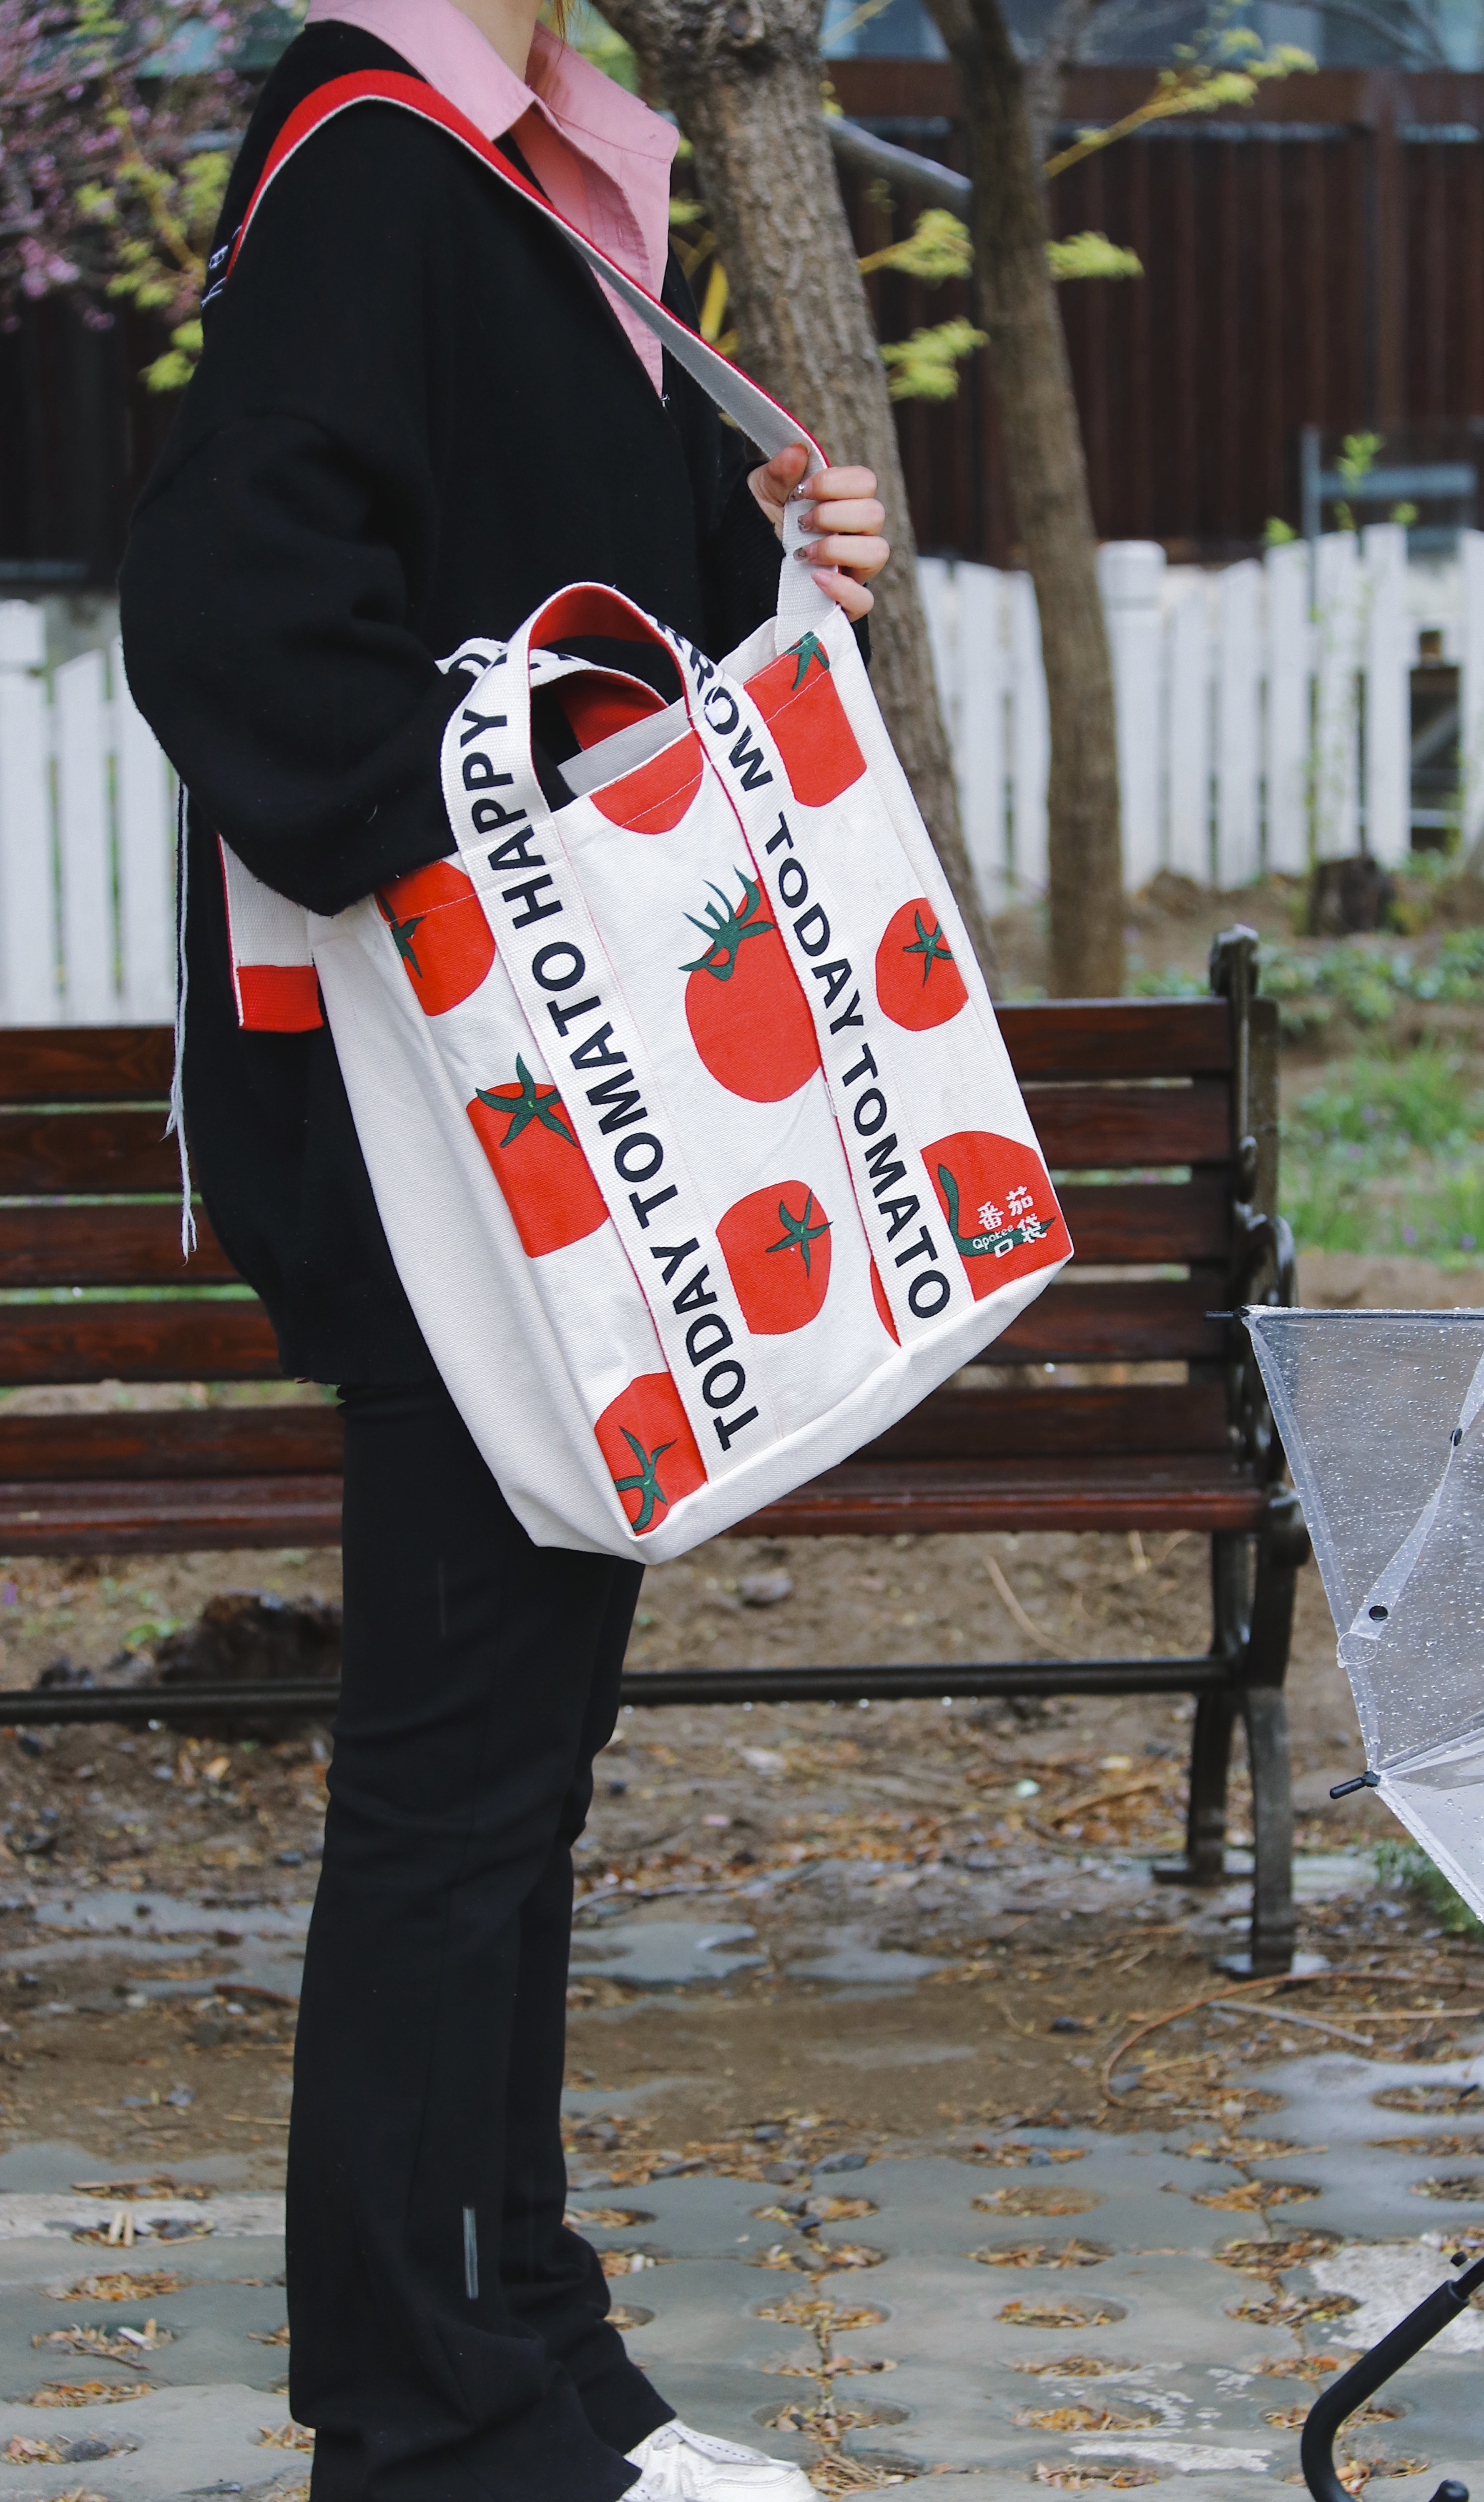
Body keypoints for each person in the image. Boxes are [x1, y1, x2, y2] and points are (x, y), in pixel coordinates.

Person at [117, 2, 890, 2495]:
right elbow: (236, 618)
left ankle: (530, 2359)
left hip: (543, 1130)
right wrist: (512, 834)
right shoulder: (382, 167)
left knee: (511, 1781)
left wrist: (772, 567)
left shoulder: (532, 187)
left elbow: (579, 614)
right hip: (457, 1130)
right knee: (462, 1793)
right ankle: (433, 2425)